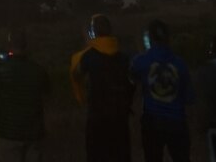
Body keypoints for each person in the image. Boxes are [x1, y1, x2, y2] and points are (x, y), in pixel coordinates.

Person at [0, 27, 51, 162]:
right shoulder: (38, 70)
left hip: (8, 133)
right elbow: (47, 93)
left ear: (9, 45)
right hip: (34, 132)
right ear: (26, 45)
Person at [71, 14, 135, 162]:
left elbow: (76, 74)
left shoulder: (89, 57)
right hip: (120, 117)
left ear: (94, 32)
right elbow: (132, 83)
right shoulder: (124, 58)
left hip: (97, 117)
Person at [131, 18, 193, 162]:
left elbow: (132, 78)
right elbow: (189, 97)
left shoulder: (141, 61)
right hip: (177, 122)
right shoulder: (180, 64)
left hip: (152, 122)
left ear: (150, 38)